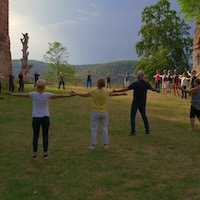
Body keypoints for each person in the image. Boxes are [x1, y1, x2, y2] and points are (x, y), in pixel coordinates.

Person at [5, 79, 75, 160]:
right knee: (45, 136)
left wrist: (12, 94)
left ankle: (34, 154)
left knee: (35, 136)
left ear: (36, 86)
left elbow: (21, 94)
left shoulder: (33, 94)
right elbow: (59, 96)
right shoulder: (47, 95)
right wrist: (70, 95)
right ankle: (45, 154)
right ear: (44, 87)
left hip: (36, 118)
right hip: (45, 117)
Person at [71, 79, 127, 150]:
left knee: (94, 128)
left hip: (95, 112)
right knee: (104, 128)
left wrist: (76, 93)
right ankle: (105, 145)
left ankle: (92, 145)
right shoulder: (106, 92)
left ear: (97, 84)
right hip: (104, 112)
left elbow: (85, 95)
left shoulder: (94, 91)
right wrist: (122, 94)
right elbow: (113, 94)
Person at [113, 71, 160, 135]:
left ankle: (133, 131)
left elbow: (126, 89)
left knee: (133, 116)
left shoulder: (136, 83)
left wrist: (116, 91)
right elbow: (152, 89)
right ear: (143, 76)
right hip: (143, 102)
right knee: (143, 115)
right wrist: (157, 91)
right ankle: (147, 130)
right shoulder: (146, 83)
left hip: (136, 102)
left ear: (138, 76)